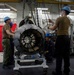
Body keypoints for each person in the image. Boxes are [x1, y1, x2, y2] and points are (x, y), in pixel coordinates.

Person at [48, 6, 71, 75]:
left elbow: (53, 28)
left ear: (64, 11)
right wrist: (52, 22)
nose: (61, 12)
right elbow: (60, 27)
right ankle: (66, 71)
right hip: (67, 38)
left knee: (59, 56)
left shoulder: (59, 18)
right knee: (66, 56)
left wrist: (49, 27)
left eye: (61, 11)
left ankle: (58, 72)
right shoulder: (68, 20)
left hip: (60, 39)